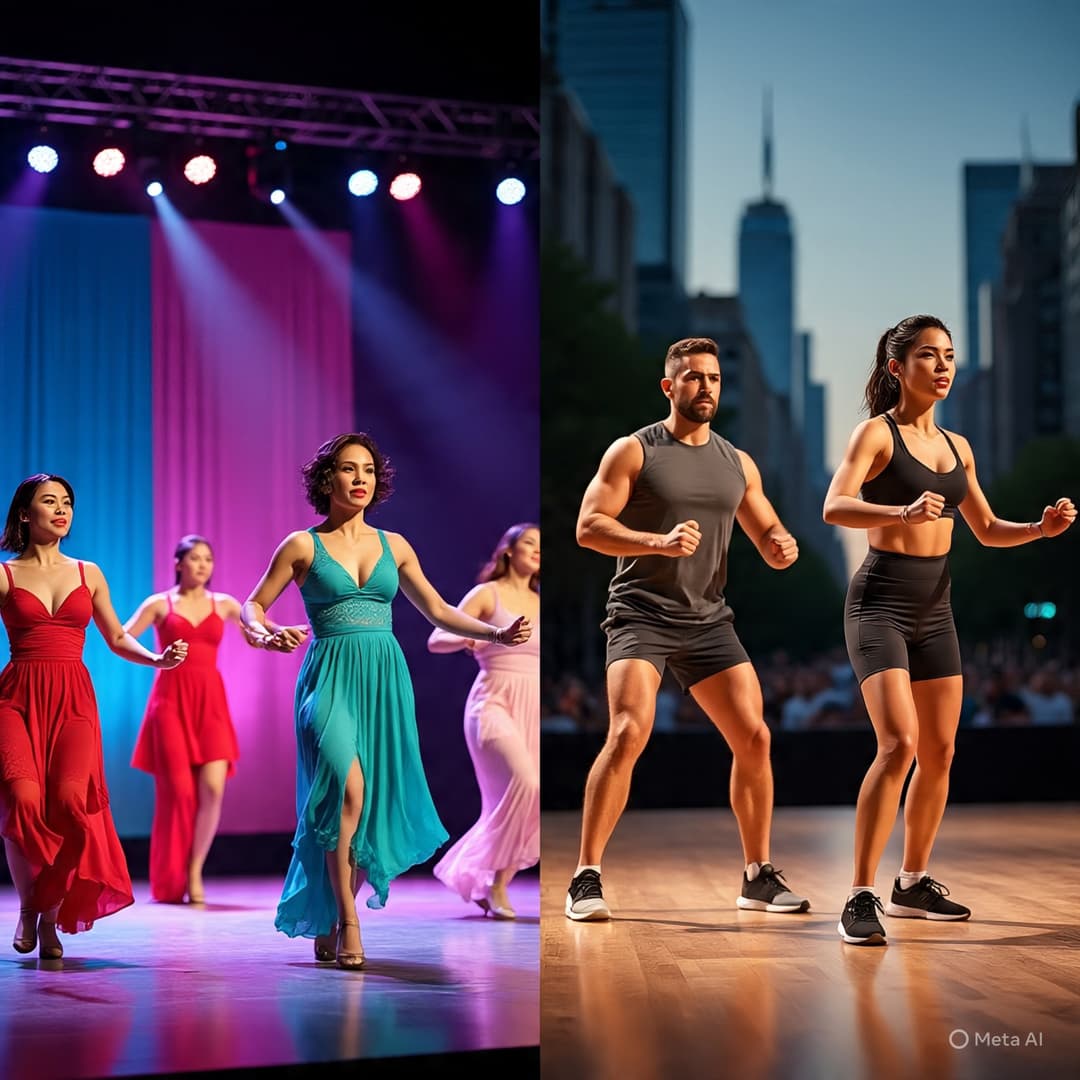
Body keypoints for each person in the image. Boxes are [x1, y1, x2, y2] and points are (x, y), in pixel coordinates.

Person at [823, 314, 1076, 946]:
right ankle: (859, 894)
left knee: (940, 751)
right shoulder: (875, 436)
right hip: (878, 601)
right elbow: (834, 505)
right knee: (898, 744)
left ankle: (911, 882)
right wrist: (899, 510)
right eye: (929, 356)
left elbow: (987, 529)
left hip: (936, 607)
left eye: (949, 356)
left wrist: (1039, 529)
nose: (942, 367)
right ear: (896, 368)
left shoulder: (959, 447)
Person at [241, 433, 531, 969]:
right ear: (326, 479)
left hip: (383, 679)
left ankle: (331, 913)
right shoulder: (302, 545)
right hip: (328, 675)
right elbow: (252, 605)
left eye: (369, 470)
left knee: (358, 803)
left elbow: (440, 610)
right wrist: (262, 632)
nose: (360, 479)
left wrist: (494, 635)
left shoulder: (394, 546)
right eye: (349, 470)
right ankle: (348, 919)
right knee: (344, 788)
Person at [565, 337, 810, 921]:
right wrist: (657, 541)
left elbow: (768, 528)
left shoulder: (738, 462)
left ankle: (757, 876)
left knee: (755, 737)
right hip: (641, 611)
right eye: (694, 378)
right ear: (669, 386)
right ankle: (586, 876)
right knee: (628, 731)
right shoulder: (633, 451)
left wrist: (781, 547)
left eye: (716, 379)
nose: (706, 387)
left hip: (708, 619)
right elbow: (588, 526)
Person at [0, 474, 188, 958]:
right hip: (16, 697)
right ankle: (30, 910)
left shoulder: (89, 572)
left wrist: (157, 660)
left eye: (67, 502)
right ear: (25, 513)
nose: (61, 510)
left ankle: (47, 910)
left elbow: (118, 637)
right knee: (23, 799)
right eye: (49, 502)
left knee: (69, 803)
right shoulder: (4, 574)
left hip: (73, 700)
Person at [124, 535, 250, 905]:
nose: (202, 565)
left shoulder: (224, 604)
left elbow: (257, 630)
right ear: (178, 563)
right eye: (195, 558)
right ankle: (169, 877)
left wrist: (277, 633)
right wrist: (155, 655)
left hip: (210, 703)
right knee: (178, 794)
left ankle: (194, 870)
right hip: (170, 704)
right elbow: (122, 637)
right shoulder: (159, 604)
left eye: (208, 559)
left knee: (213, 790)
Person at [428, 523, 540, 919]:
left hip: (531, 704)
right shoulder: (487, 594)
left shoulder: (540, 601)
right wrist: (484, 635)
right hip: (492, 702)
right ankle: (489, 883)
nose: (537, 551)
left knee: (528, 800)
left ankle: (493, 883)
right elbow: (436, 639)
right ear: (508, 550)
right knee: (526, 783)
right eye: (529, 543)